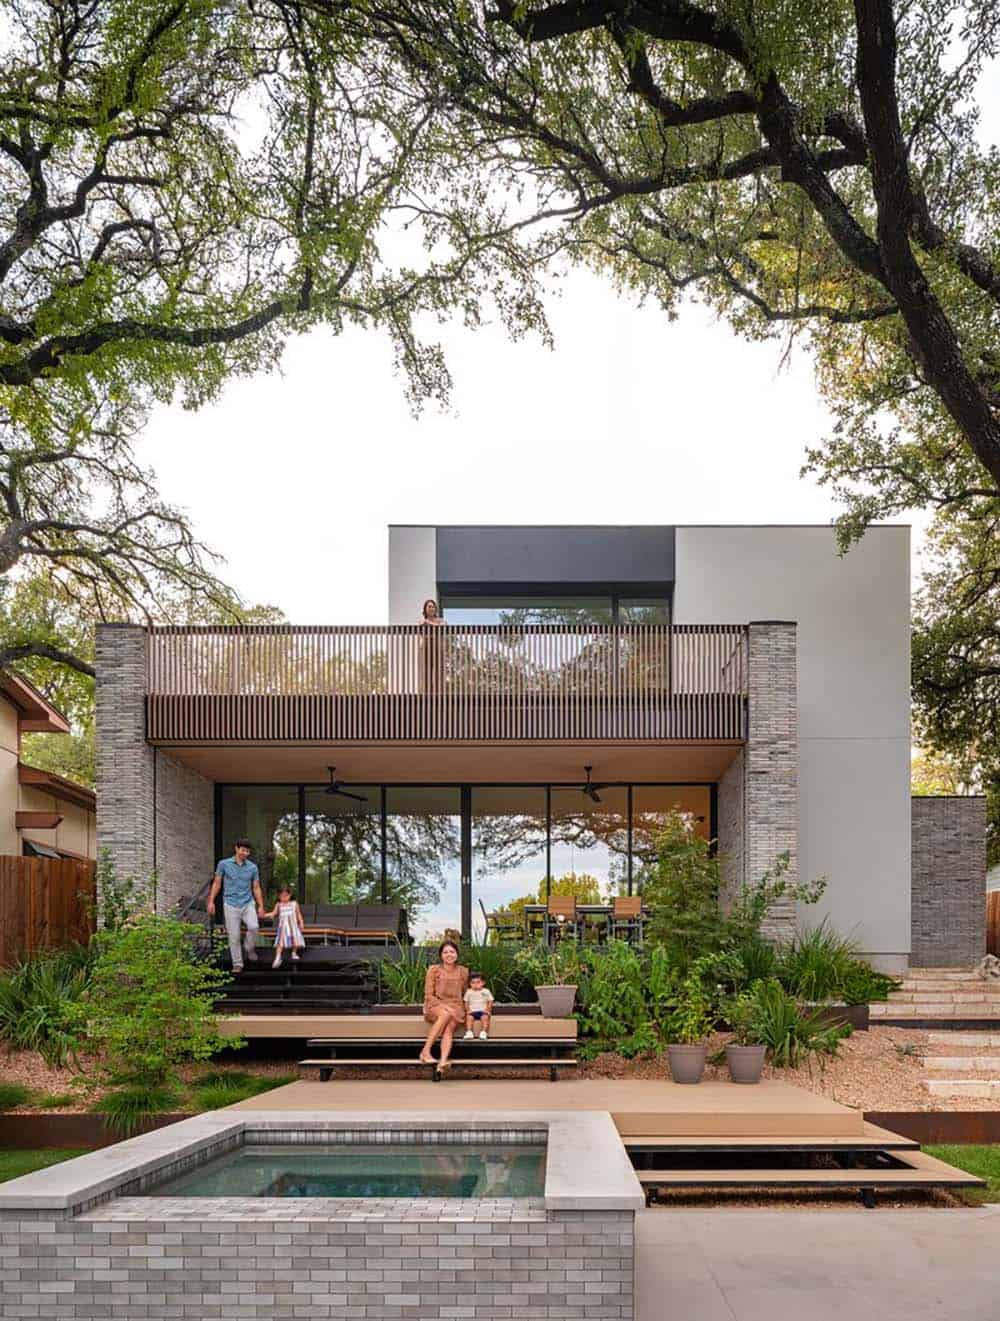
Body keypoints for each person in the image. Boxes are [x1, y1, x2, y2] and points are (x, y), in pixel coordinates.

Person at [207, 838, 265, 974]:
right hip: (231, 904)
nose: (245, 853)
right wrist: (211, 901)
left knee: (254, 926)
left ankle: (249, 948)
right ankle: (237, 964)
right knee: (234, 936)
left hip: (247, 903)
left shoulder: (252, 867)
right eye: (243, 850)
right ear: (236, 849)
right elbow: (217, 883)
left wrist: (261, 906)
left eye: (248, 851)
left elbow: (256, 887)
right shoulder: (223, 864)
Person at [419, 939, 468, 1072]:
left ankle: (442, 1061)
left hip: (456, 1007)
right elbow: (428, 994)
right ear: (441, 955)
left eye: (452, 951)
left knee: (449, 1028)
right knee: (445, 1013)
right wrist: (444, 1006)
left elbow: (464, 993)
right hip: (434, 1004)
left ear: (457, 954)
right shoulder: (433, 970)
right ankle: (425, 1052)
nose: (449, 954)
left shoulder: (463, 971)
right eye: (445, 952)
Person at [262, 885, 305, 969]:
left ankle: (294, 952)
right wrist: (265, 915)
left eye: (286, 896)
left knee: (295, 940)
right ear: (279, 896)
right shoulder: (279, 905)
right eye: (282, 896)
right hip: (283, 928)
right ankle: (278, 957)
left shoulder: (294, 904)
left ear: (290, 895)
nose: (284, 898)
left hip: (293, 926)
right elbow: (273, 913)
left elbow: (298, 914)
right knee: (280, 943)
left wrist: (301, 923)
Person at [463, 971, 494, 1040]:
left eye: (478, 982)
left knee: (485, 1018)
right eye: (473, 983)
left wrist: (488, 1009)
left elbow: (490, 1001)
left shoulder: (486, 991)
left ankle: (484, 1032)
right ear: (470, 984)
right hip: (472, 1011)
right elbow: (466, 1002)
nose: (475, 984)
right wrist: (468, 1010)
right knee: (468, 1018)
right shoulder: (469, 992)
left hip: (483, 1011)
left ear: (483, 983)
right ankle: (469, 1032)